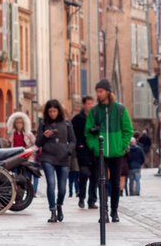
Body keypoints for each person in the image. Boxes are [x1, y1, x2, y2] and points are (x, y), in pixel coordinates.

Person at [85, 79, 133, 223]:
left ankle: (114, 211)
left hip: (117, 153)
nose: (98, 94)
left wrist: (122, 145)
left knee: (116, 183)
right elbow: (88, 132)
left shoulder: (119, 109)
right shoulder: (94, 111)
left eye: (100, 91)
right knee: (102, 182)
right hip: (101, 153)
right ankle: (104, 212)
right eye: (97, 91)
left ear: (107, 92)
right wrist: (95, 146)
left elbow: (128, 130)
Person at [35, 100, 76, 223]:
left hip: (63, 157)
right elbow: (38, 143)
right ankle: (52, 211)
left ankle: (59, 206)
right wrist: (44, 136)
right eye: (50, 111)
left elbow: (73, 140)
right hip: (48, 157)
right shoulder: (43, 124)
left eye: (54, 111)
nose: (52, 113)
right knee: (51, 184)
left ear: (58, 111)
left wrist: (68, 150)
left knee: (62, 188)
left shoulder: (67, 123)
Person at [72, 95, 97, 209]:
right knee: (85, 173)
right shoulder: (77, 119)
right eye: (88, 104)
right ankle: (81, 196)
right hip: (83, 151)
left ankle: (91, 201)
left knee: (95, 177)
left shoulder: (97, 118)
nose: (91, 106)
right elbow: (72, 134)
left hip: (95, 150)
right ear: (83, 105)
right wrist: (78, 144)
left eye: (92, 104)